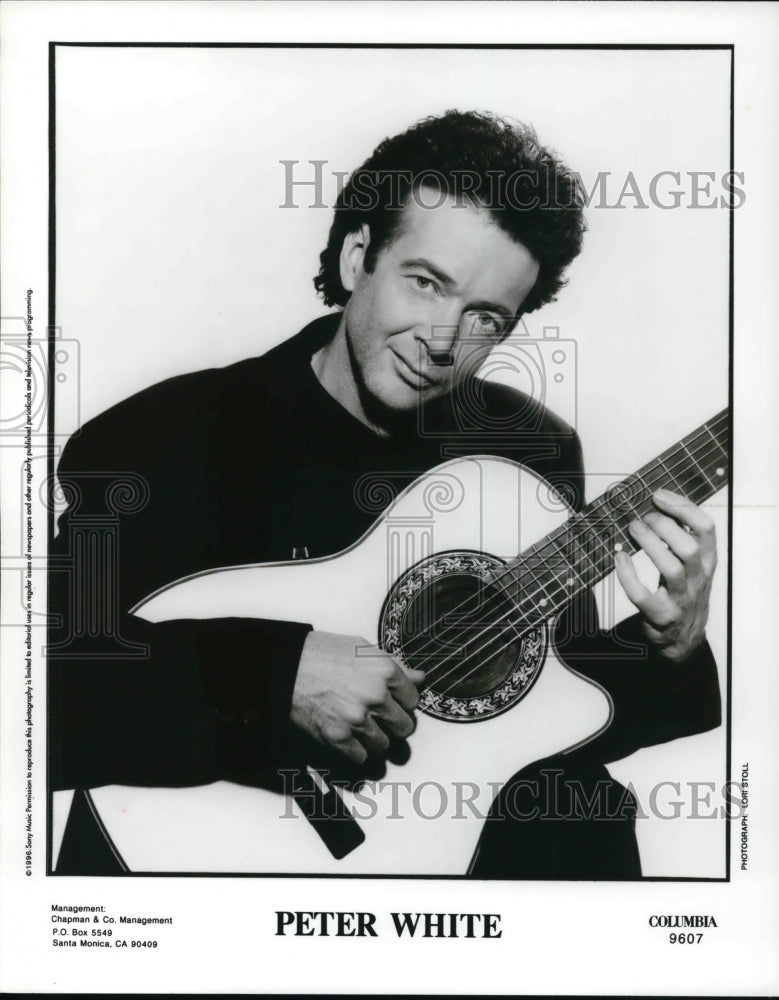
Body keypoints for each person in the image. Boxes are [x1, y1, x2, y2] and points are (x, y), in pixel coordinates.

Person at [49, 110, 721, 877]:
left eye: (484, 317)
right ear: (356, 256)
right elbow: (39, 695)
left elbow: (542, 716)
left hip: (456, 876)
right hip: (192, 880)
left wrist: (674, 645)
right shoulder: (163, 438)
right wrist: (271, 678)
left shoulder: (529, 454)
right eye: (426, 283)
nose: (442, 339)